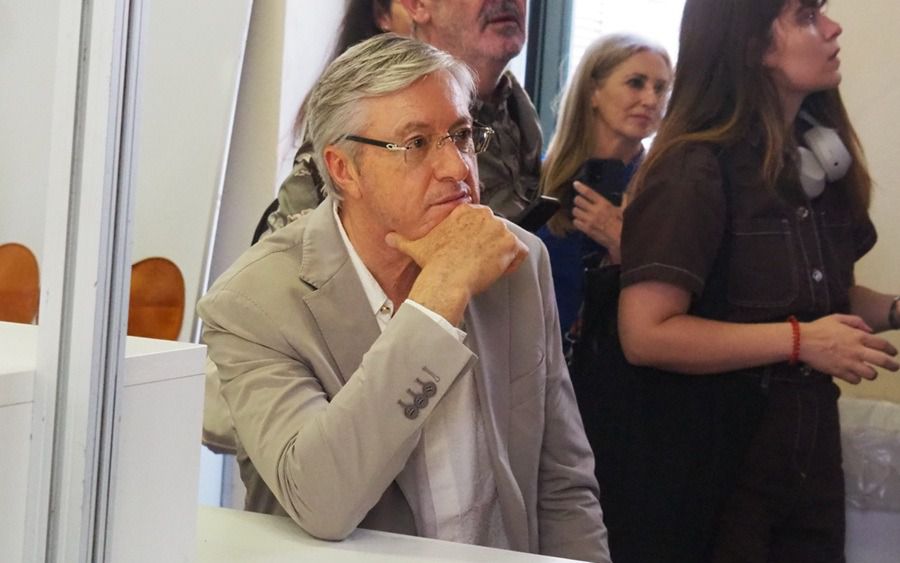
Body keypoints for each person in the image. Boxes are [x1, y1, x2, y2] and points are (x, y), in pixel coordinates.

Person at [198, 35, 610, 562]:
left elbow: (563, 484)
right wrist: (438, 298)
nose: (457, 168)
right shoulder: (254, 303)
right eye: (416, 143)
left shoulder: (518, 260)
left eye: (461, 135)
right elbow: (322, 500)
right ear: (344, 170)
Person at [612, 1, 900, 561]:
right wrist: (801, 341)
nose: (833, 28)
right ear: (752, 43)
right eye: (808, 16)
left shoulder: (819, 161)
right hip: (721, 475)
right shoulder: (693, 168)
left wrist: (892, 309)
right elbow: (646, 334)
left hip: (810, 463)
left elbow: (830, 299)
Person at [264, 0, 541, 235]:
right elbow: (289, 261)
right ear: (416, 4)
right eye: (418, 143)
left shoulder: (518, 110)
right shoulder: (368, 114)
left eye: (463, 135)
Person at [537, 33, 671, 335]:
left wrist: (622, 244)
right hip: (537, 349)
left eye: (661, 88)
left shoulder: (665, 187)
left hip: (616, 352)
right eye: (636, 83)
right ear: (593, 92)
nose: (651, 100)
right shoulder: (540, 174)